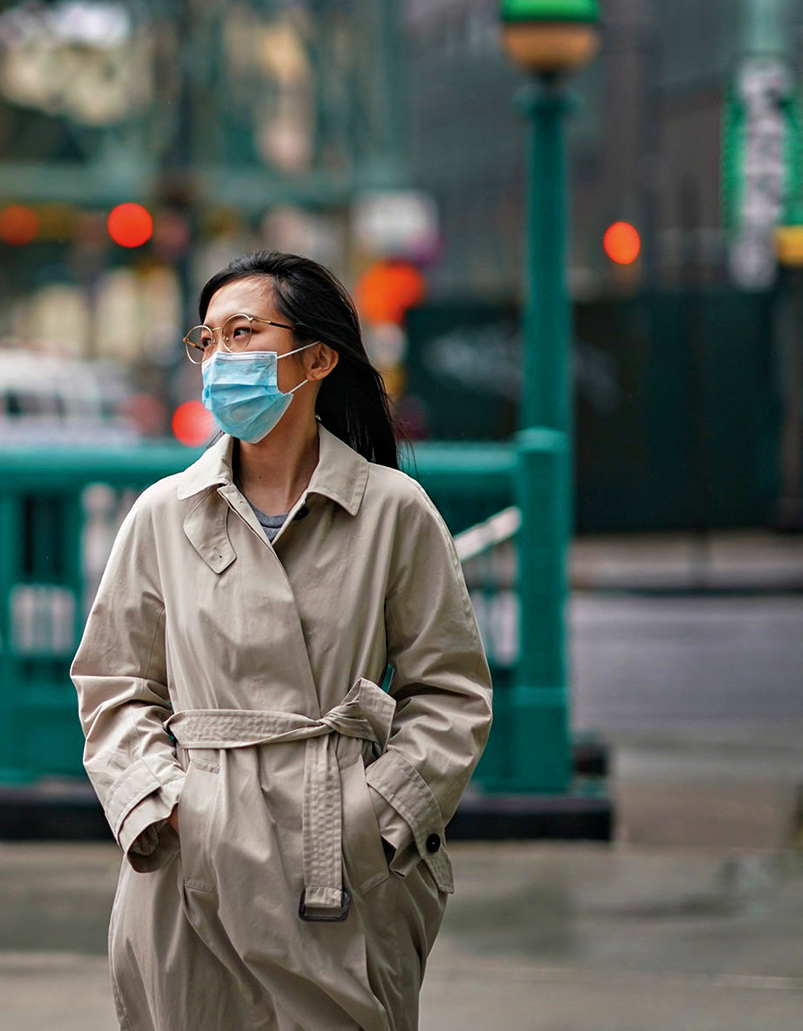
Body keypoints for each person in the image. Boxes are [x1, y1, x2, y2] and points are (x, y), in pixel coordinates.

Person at [71, 251, 493, 1031]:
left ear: (318, 357)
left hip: (338, 853)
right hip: (190, 855)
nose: (220, 360)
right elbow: (114, 681)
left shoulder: (393, 511)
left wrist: (379, 814)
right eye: (209, 340)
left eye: (244, 333)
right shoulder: (164, 514)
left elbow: (451, 691)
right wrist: (164, 807)